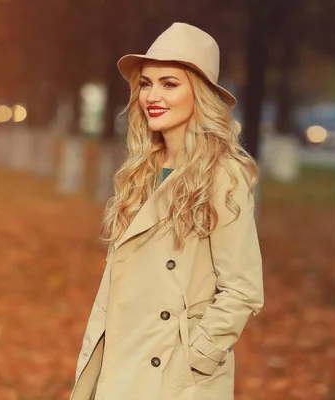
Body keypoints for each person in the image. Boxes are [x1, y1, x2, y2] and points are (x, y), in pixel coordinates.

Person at [69, 22, 264, 400]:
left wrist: (195, 359)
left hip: (172, 378)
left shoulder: (221, 173)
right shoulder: (141, 170)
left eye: (169, 83)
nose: (152, 96)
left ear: (200, 93)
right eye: (146, 83)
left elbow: (242, 288)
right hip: (123, 360)